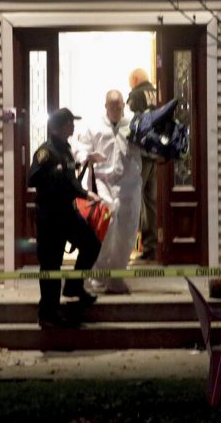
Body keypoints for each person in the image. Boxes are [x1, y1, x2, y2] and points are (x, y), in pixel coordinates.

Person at [28, 108, 101, 329]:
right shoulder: (45, 152)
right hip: (50, 217)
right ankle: (47, 313)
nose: (73, 126)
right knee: (51, 265)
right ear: (58, 128)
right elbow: (32, 178)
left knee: (91, 244)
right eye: (69, 123)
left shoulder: (68, 151)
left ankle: (74, 286)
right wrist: (54, 174)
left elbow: (72, 180)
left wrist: (86, 194)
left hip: (68, 213)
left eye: (73, 122)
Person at [75, 90, 142, 294]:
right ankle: (100, 275)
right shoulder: (94, 127)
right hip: (102, 186)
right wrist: (87, 156)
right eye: (113, 106)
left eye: (120, 106)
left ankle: (117, 276)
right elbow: (80, 148)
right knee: (104, 230)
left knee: (127, 232)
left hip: (129, 188)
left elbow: (149, 148)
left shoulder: (133, 126)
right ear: (106, 106)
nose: (118, 110)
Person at [127, 68, 159, 262]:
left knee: (134, 199)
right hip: (156, 153)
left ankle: (131, 245)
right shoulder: (157, 92)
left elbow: (129, 118)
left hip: (142, 154)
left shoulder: (136, 94)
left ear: (136, 80)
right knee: (151, 202)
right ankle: (152, 247)